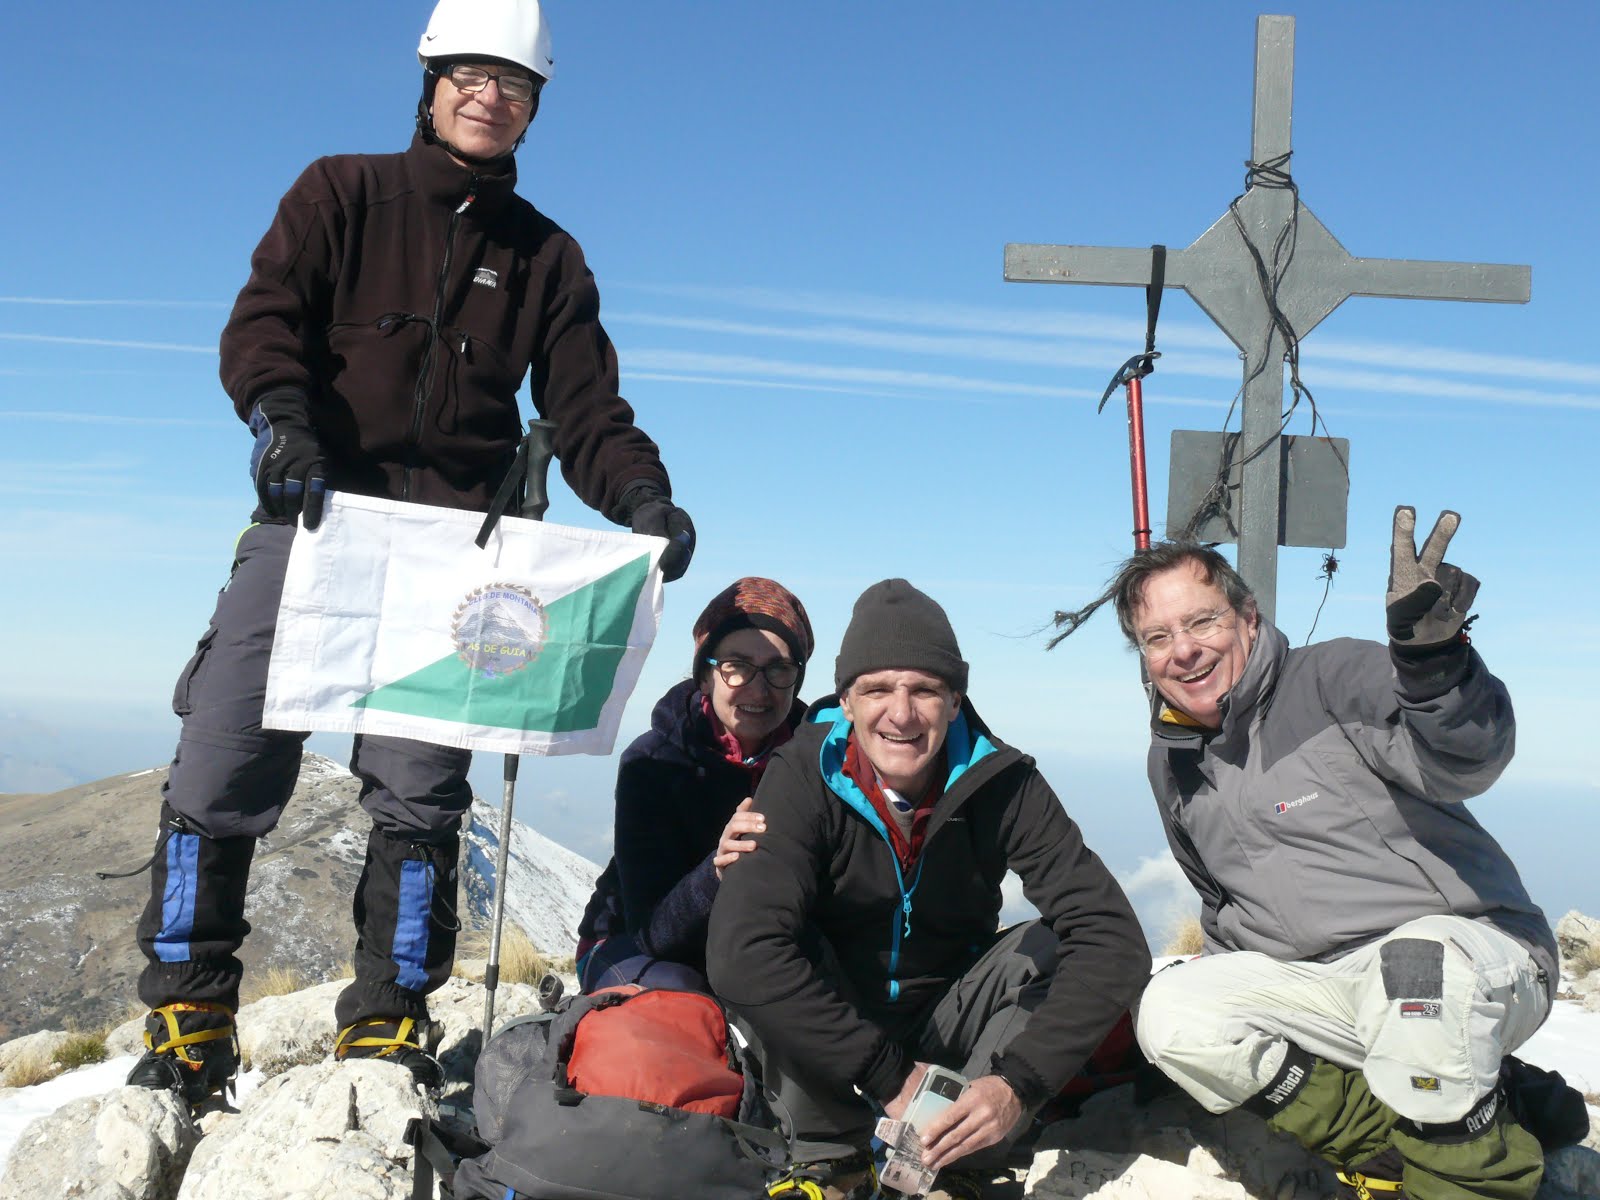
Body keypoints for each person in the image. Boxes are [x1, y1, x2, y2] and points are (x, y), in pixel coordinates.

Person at [126, 0, 695, 1106]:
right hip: (318, 519)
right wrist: (280, 423)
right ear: (430, 84)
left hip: (452, 558)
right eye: (470, 74)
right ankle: (191, 1017)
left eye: (514, 84)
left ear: (535, 108)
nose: (491, 94)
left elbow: (586, 408)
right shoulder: (341, 192)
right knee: (221, 760)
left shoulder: (545, 256)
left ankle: (387, 1023)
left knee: (421, 795)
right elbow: (266, 323)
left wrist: (643, 498)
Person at [1113, 510, 1557, 1200]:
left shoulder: (1331, 679)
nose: (1183, 651)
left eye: (1202, 623)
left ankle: (1473, 1178)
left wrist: (1436, 670)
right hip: (1324, 993)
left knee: (1414, 978)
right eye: (1157, 637)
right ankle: (1406, 1142)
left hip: (1468, 953)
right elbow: (1222, 905)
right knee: (1170, 1009)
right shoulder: (1171, 764)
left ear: (1249, 619)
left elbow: (1462, 760)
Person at [706, 579, 1151, 1200]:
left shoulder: (1002, 782)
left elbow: (1113, 937)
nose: (901, 713)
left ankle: (961, 1157)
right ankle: (826, 1160)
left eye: (925, 690)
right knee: (778, 942)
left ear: (955, 698)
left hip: (949, 1030)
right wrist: (887, 1074)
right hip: (833, 1039)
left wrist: (1017, 1085)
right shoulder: (805, 773)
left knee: (1043, 948)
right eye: (877, 689)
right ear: (848, 699)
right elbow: (740, 952)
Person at [576, 577, 815, 993]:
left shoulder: (815, 758)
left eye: (778, 668)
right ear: (705, 677)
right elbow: (653, 933)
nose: (757, 688)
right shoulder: (654, 764)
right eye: (736, 665)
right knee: (681, 997)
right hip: (631, 945)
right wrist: (717, 872)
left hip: (756, 947)